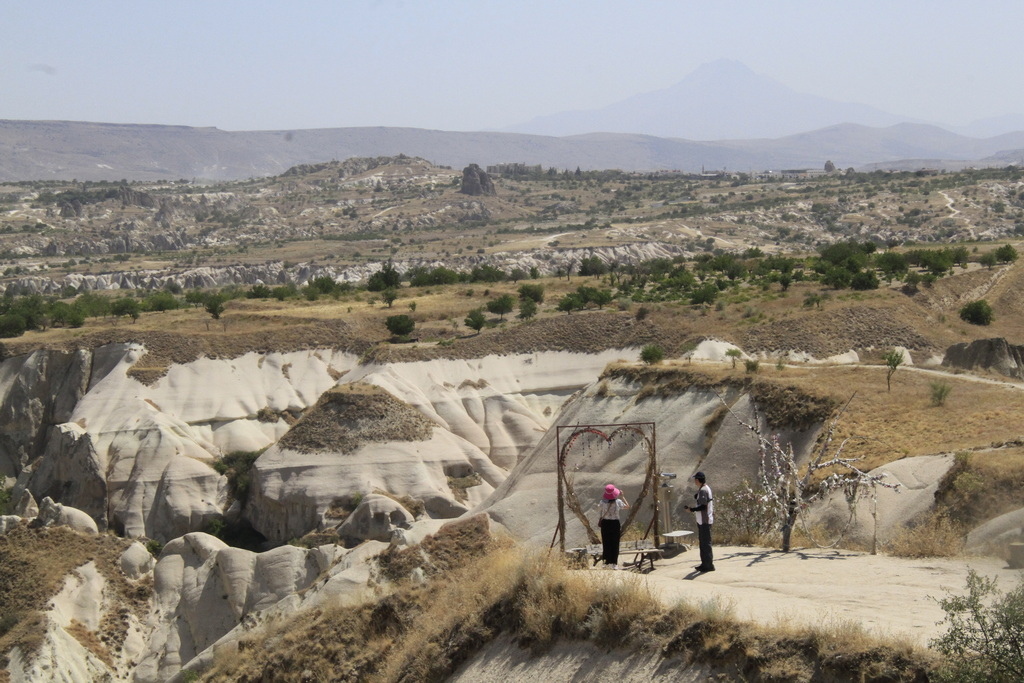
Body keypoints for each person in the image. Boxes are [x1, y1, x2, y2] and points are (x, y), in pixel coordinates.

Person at [684, 471, 714, 572]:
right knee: (704, 543)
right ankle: (705, 564)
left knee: (705, 544)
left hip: (704, 521)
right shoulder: (705, 488)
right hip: (705, 520)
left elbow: (702, 506)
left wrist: (691, 509)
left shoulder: (703, 491)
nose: (695, 482)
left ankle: (708, 565)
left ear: (697, 480)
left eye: (695, 480)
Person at [597, 484, 629, 569]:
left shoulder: (602, 502)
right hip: (615, 523)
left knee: (606, 542)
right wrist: (623, 496)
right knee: (615, 543)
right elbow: (627, 506)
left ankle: (605, 562)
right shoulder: (618, 501)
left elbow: (598, 508)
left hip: (605, 523)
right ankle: (614, 563)